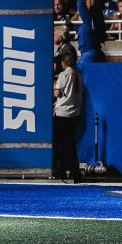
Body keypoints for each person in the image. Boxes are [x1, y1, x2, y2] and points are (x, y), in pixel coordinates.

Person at [51, 51, 86, 183]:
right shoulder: (78, 74)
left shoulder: (63, 75)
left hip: (62, 114)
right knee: (70, 144)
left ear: (64, 63)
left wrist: (55, 85)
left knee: (60, 145)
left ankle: (62, 171)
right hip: (75, 114)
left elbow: (56, 94)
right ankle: (75, 172)